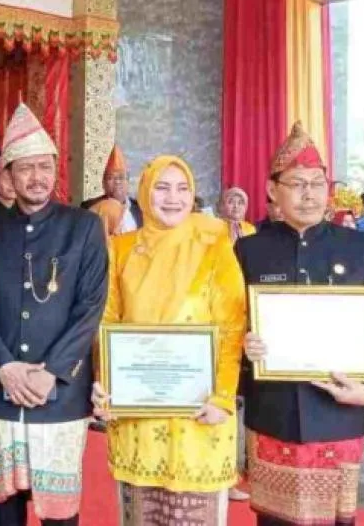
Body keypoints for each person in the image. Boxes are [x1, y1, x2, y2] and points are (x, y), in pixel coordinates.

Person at [236, 122, 364, 526]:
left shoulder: (361, 247)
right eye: (296, 184)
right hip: (272, 412)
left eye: (317, 183)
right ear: (273, 189)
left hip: (338, 413)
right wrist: (243, 345)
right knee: (272, 520)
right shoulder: (250, 249)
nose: (308, 194)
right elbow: (232, 322)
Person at [92, 155, 245, 525]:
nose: (173, 198)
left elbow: (232, 324)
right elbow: (107, 322)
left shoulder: (213, 243)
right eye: (162, 187)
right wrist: (105, 384)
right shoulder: (121, 249)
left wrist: (224, 397)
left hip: (200, 412)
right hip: (138, 415)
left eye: (182, 188)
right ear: (145, 192)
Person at [0, 103, 107, 526]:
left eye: (45, 167)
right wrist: (4, 366)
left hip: (62, 393)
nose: (37, 177)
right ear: (8, 176)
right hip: (1, 391)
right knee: (6, 511)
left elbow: (90, 306)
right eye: (26, 168)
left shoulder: (83, 226)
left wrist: (52, 372)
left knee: (61, 516)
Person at [81, 146, 142, 226]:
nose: (117, 182)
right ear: (103, 183)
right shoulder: (90, 207)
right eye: (110, 178)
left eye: (121, 177)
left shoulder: (139, 209)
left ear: (128, 182)